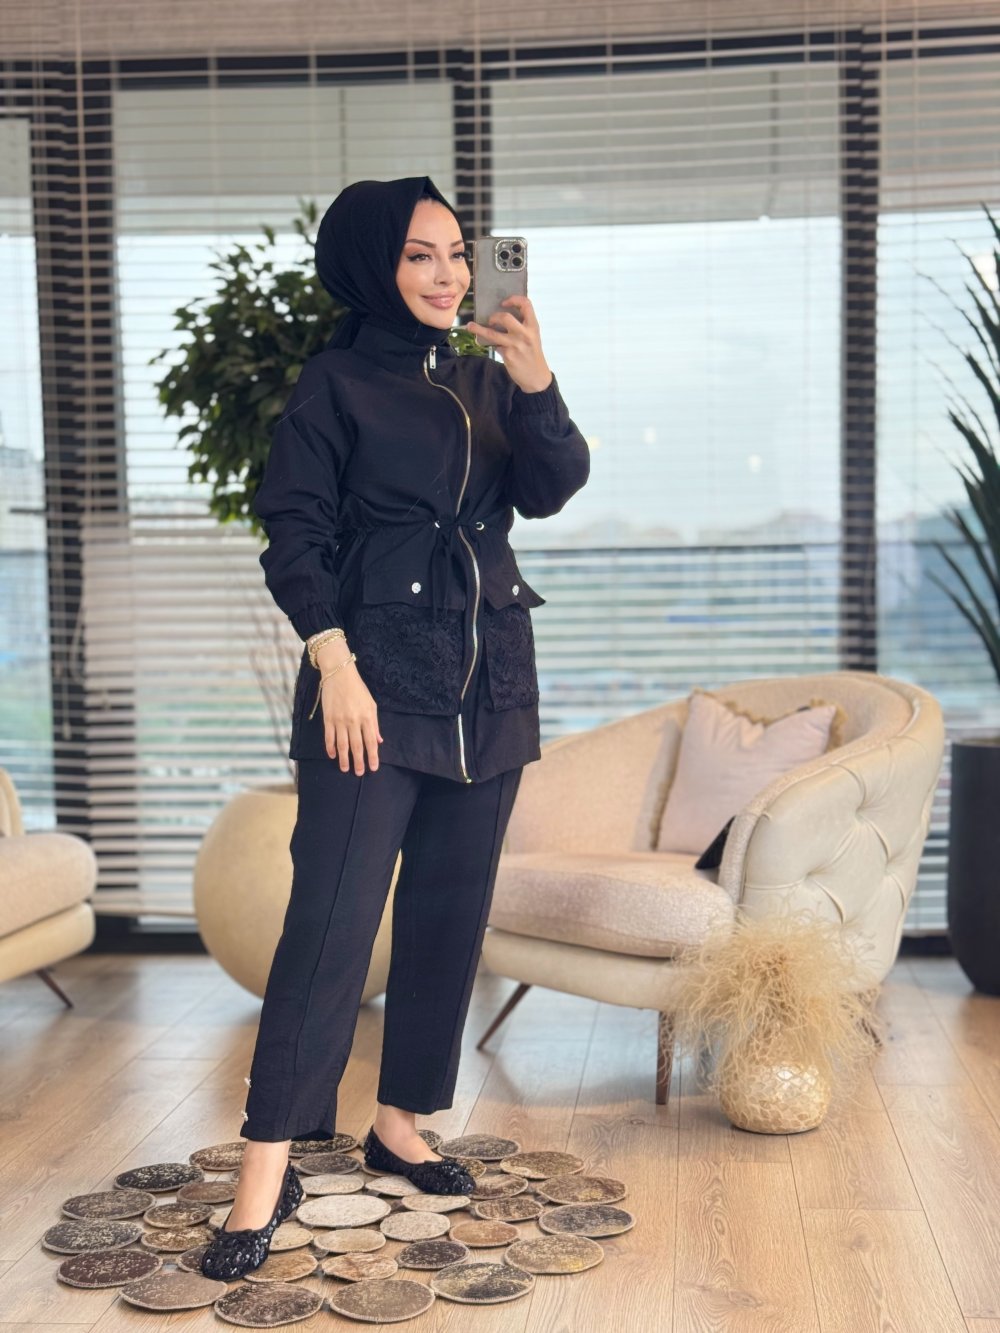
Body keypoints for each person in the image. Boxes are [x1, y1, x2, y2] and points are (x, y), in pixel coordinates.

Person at [200, 175, 590, 1279]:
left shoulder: (490, 375)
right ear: (374, 264)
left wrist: (537, 378)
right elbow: (293, 530)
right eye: (422, 255)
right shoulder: (334, 384)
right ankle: (266, 1168)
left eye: (459, 253)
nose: (450, 274)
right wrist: (335, 664)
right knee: (328, 925)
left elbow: (553, 486)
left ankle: (402, 1121)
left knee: (448, 917)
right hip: (368, 687)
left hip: (489, 681)